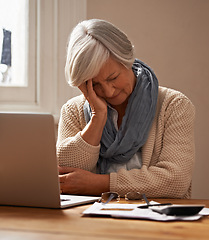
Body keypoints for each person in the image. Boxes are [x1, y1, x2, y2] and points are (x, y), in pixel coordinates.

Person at [57, 19, 195, 199]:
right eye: (95, 84)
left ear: (127, 60)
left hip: (159, 220)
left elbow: (175, 181)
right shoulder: (73, 111)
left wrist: (98, 184)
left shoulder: (174, 105)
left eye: (112, 77)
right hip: (93, 220)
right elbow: (65, 177)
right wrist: (97, 117)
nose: (107, 91)